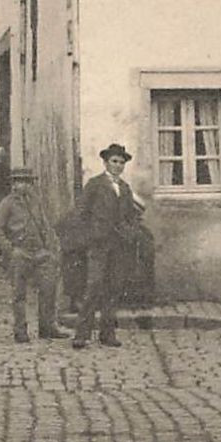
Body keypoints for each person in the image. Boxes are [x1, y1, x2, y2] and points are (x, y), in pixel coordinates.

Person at [72, 143, 142, 349]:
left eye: (121, 162)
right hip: (98, 245)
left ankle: (107, 333)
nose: (118, 166)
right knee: (94, 286)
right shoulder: (94, 184)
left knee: (114, 288)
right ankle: (81, 334)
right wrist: (90, 236)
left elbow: (131, 216)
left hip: (119, 246)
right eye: (114, 161)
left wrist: (131, 233)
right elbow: (81, 213)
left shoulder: (125, 188)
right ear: (105, 162)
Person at [0, 167, 65, 343]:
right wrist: (10, 249)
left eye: (25, 181)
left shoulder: (36, 202)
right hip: (19, 251)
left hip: (40, 252)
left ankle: (47, 326)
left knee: (48, 288)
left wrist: (50, 249)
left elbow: (45, 226)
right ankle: (20, 330)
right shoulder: (7, 203)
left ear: (31, 184)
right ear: (13, 184)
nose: (21, 185)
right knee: (19, 293)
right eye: (18, 181)